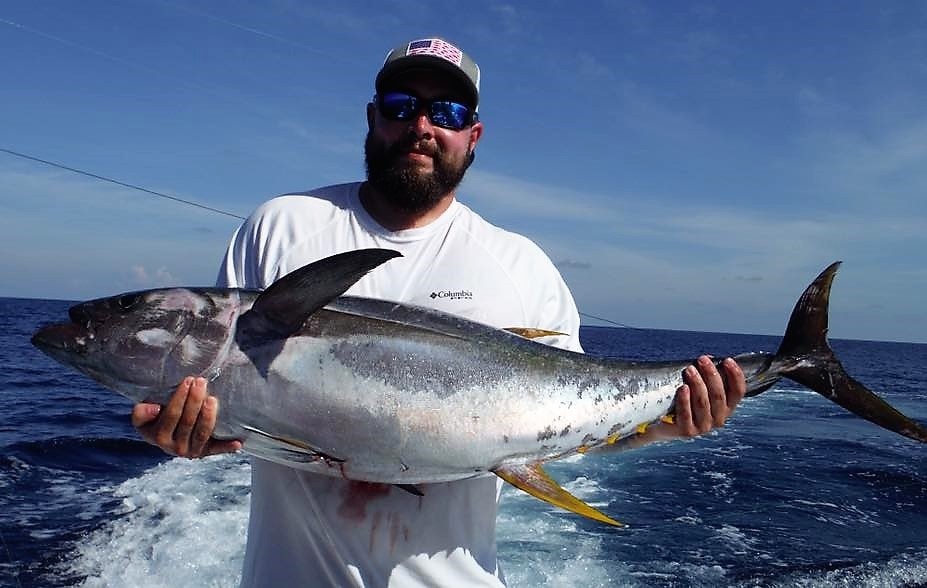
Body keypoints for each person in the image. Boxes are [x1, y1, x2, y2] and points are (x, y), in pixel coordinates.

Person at [132, 37, 746, 587]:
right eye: (402, 104)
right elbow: (226, 395)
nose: (422, 125)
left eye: (447, 112)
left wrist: (668, 422)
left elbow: (564, 435)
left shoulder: (520, 264)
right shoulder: (281, 227)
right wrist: (193, 435)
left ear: (471, 136)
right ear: (373, 117)